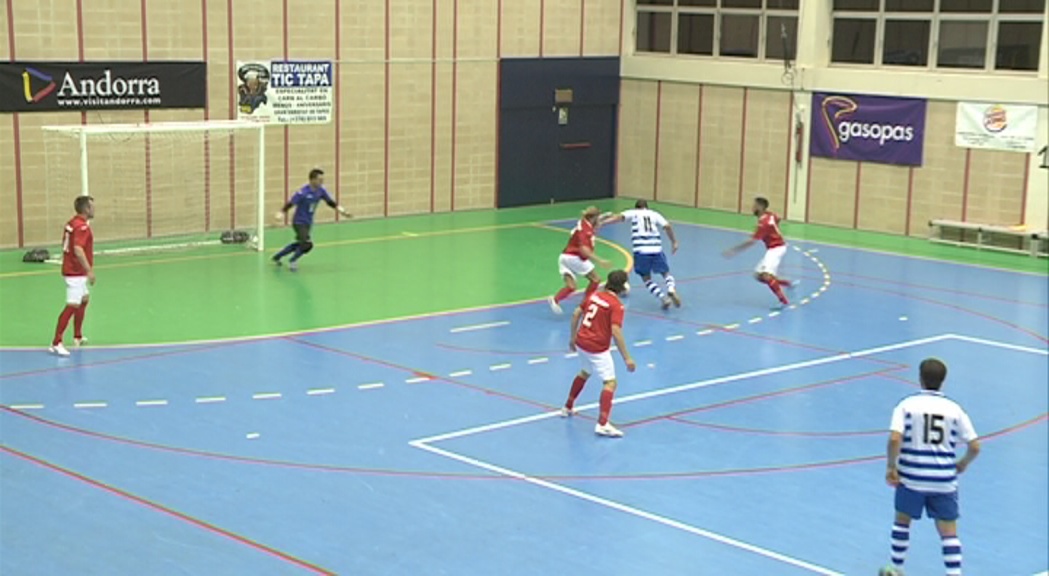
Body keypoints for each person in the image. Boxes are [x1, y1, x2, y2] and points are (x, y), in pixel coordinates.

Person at [880, 358, 980, 576]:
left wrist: (891, 466)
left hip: (912, 477)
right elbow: (974, 445)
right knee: (948, 532)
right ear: (943, 381)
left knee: (902, 521)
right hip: (943, 479)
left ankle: (896, 569)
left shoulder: (906, 405)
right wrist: (962, 464)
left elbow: (895, 439)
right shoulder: (954, 409)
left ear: (920, 379)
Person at [562, 270, 637, 438]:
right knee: (610, 383)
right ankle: (603, 424)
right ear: (622, 286)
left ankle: (567, 407)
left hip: (582, 342)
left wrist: (573, 337)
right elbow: (616, 331)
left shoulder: (594, 296)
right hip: (597, 348)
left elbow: (576, 314)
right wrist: (627, 358)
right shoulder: (616, 305)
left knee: (585, 371)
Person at [600, 199, 681, 310]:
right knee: (666, 273)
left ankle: (663, 298)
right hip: (656, 249)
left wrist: (603, 223)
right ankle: (671, 289)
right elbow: (667, 226)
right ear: (647, 207)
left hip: (641, 251)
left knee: (646, 278)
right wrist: (674, 241)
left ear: (637, 207)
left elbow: (618, 218)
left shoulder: (634, 213)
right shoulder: (654, 214)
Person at [272, 168, 352, 271]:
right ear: (312, 180)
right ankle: (293, 260)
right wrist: (281, 213)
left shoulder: (321, 190)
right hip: (299, 222)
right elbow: (291, 203)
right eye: (319, 180)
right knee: (307, 244)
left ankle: (277, 256)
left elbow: (330, 202)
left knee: (301, 243)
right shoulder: (303, 192)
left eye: (322, 180)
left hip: (308, 222)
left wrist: (342, 211)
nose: (322, 182)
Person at [722, 197, 795, 308]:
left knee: (766, 276)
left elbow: (751, 241)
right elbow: (777, 219)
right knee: (758, 276)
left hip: (776, 248)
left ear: (760, 207)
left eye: (754, 206)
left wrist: (734, 250)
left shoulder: (763, 223)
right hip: (776, 247)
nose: (752, 208)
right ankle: (787, 284)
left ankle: (783, 301)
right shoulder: (770, 215)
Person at [50, 195, 95, 357]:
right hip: (75, 272)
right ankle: (56, 342)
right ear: (86, 209)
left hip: (74, 270)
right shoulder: (82, 227)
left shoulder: (71, 223)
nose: (94, 209)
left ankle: (77, 335)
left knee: (84, 299)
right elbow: (78, 249)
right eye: (92, 206)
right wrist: (89, 269)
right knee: (72, 305)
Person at [548, 206, 610, 315]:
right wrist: (600, 261)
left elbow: (596, 224)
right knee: (596, 280)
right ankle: (586, 304)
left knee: (571, 287)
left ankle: (555, 299)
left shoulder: (583, 223)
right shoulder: (585, 231)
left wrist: (605, 217)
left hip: (564, 257)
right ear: (593, 217)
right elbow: (584, 250)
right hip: (574, 258)